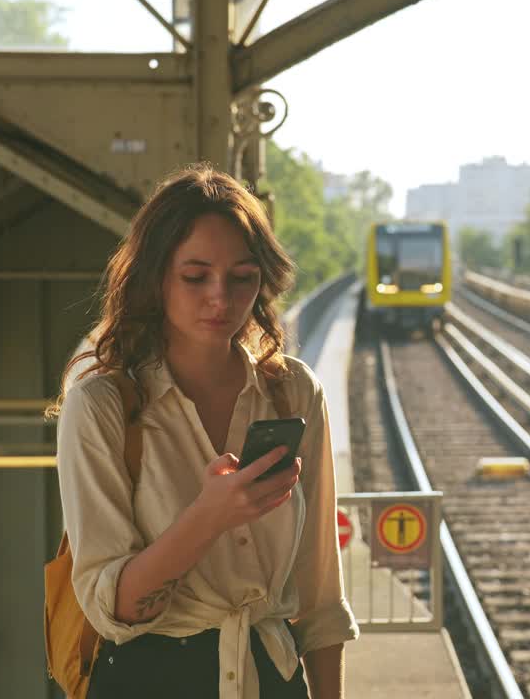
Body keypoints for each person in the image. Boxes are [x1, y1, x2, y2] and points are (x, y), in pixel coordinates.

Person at [50, 164, 358, 698]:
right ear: (155, 277)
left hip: (272, 676)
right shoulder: (102, 405)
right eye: (196, 276)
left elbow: (320, 598)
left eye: (243, 277)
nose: (221, 297)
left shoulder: (293, 393)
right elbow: (112, 608)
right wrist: (208, 518)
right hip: (149, 680)